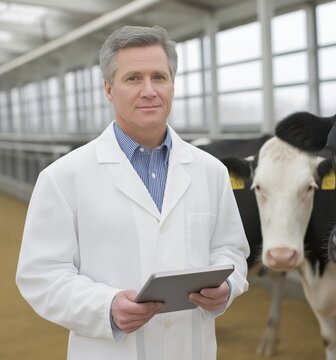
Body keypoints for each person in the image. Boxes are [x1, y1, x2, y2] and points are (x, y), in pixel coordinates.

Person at [16, 25, 250, 360]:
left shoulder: (209, 170)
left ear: (173, 84)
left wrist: (227, 288)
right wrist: (105, 306)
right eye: (133, 78)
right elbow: (41, 275)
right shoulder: (63, 177)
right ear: (109, 89)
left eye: (159, 76)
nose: (149, 90)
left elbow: (231, 250)